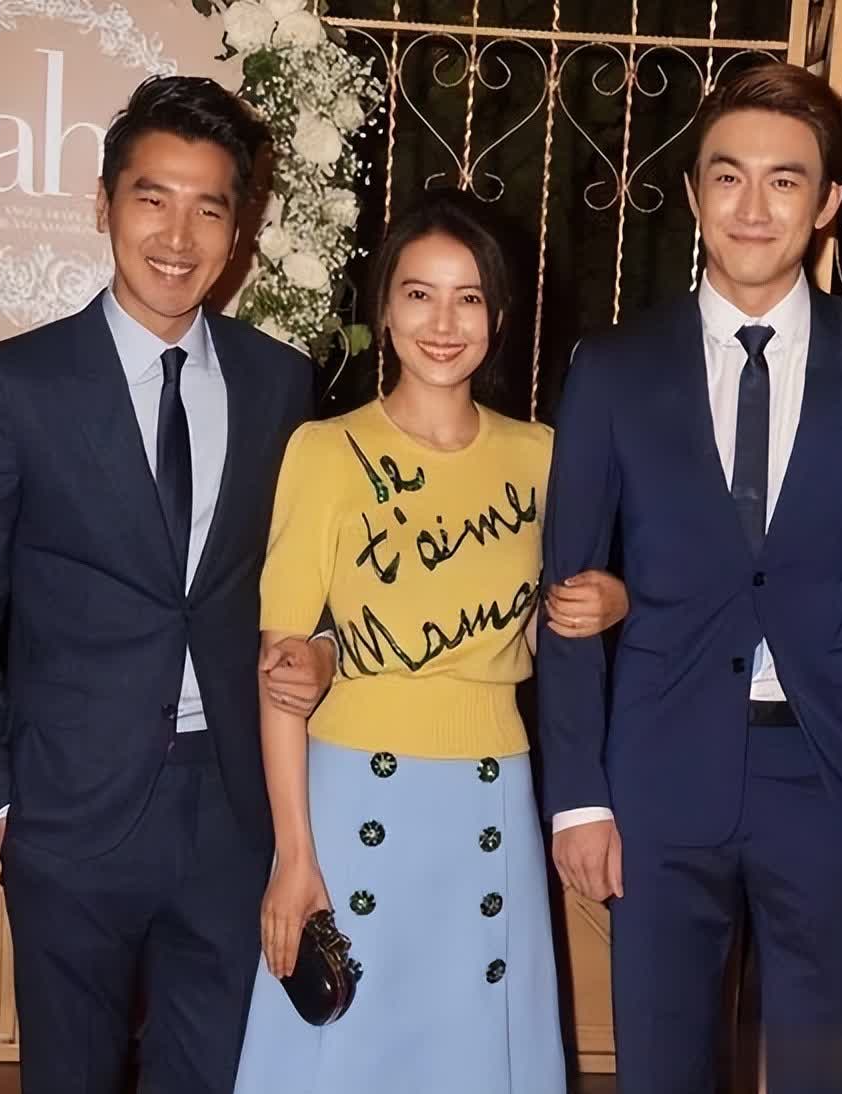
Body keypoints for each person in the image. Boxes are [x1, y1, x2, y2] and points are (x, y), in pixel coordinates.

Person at [539, 62, 842, 1094]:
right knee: (660, 1064)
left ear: (827, 202)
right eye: (727, 176)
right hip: (656, 772)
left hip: (831, 773)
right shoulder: (613, 367)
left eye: (784, 180)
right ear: (693, 193)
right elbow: (566, 597)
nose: (753, 206)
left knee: (821, 1069)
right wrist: (579, 795)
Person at [0, 76, 335, 1094]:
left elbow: (311, 582)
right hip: (67, 812)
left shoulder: (279, 381)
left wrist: (322, 649)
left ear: (238, 230)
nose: (178, 236)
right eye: (152, 198)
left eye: (208, 208)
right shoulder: (11, 386)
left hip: (231, 808)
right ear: (103, 204)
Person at [232, 190, 628, 1094]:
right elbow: (280, 671)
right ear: (384, 308)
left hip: (491, 790)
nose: (443, 324)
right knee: (347, 1048)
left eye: (468, 298)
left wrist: (616, 597)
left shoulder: (544, 455)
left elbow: (564, 621)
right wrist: (295, 857)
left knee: (474, 1045)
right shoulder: (325, 451)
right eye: (418, 294)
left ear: (499, 314)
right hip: (351, 793)